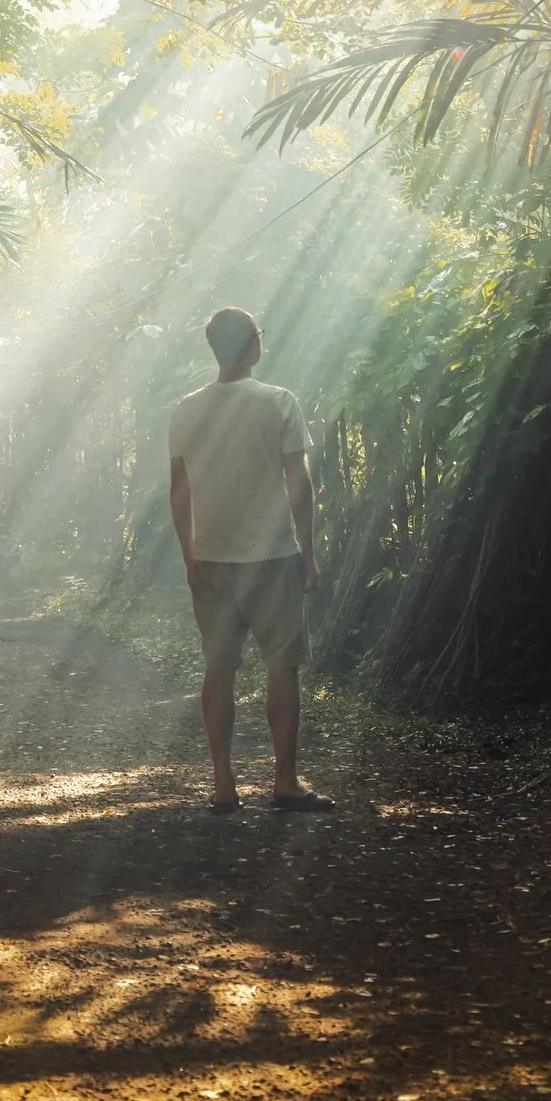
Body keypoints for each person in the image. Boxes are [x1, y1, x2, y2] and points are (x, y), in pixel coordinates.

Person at [168, 307, 334, 813]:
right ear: (255, 346)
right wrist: (308, 551)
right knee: (281, 666)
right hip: (272, 554)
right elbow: (298, 484)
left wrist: (190, 557)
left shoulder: (185, 409)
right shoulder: (278, 402)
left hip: (212, 556)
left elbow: (178, 492)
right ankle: (285, 780)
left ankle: (223, 784)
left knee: (219, 668)